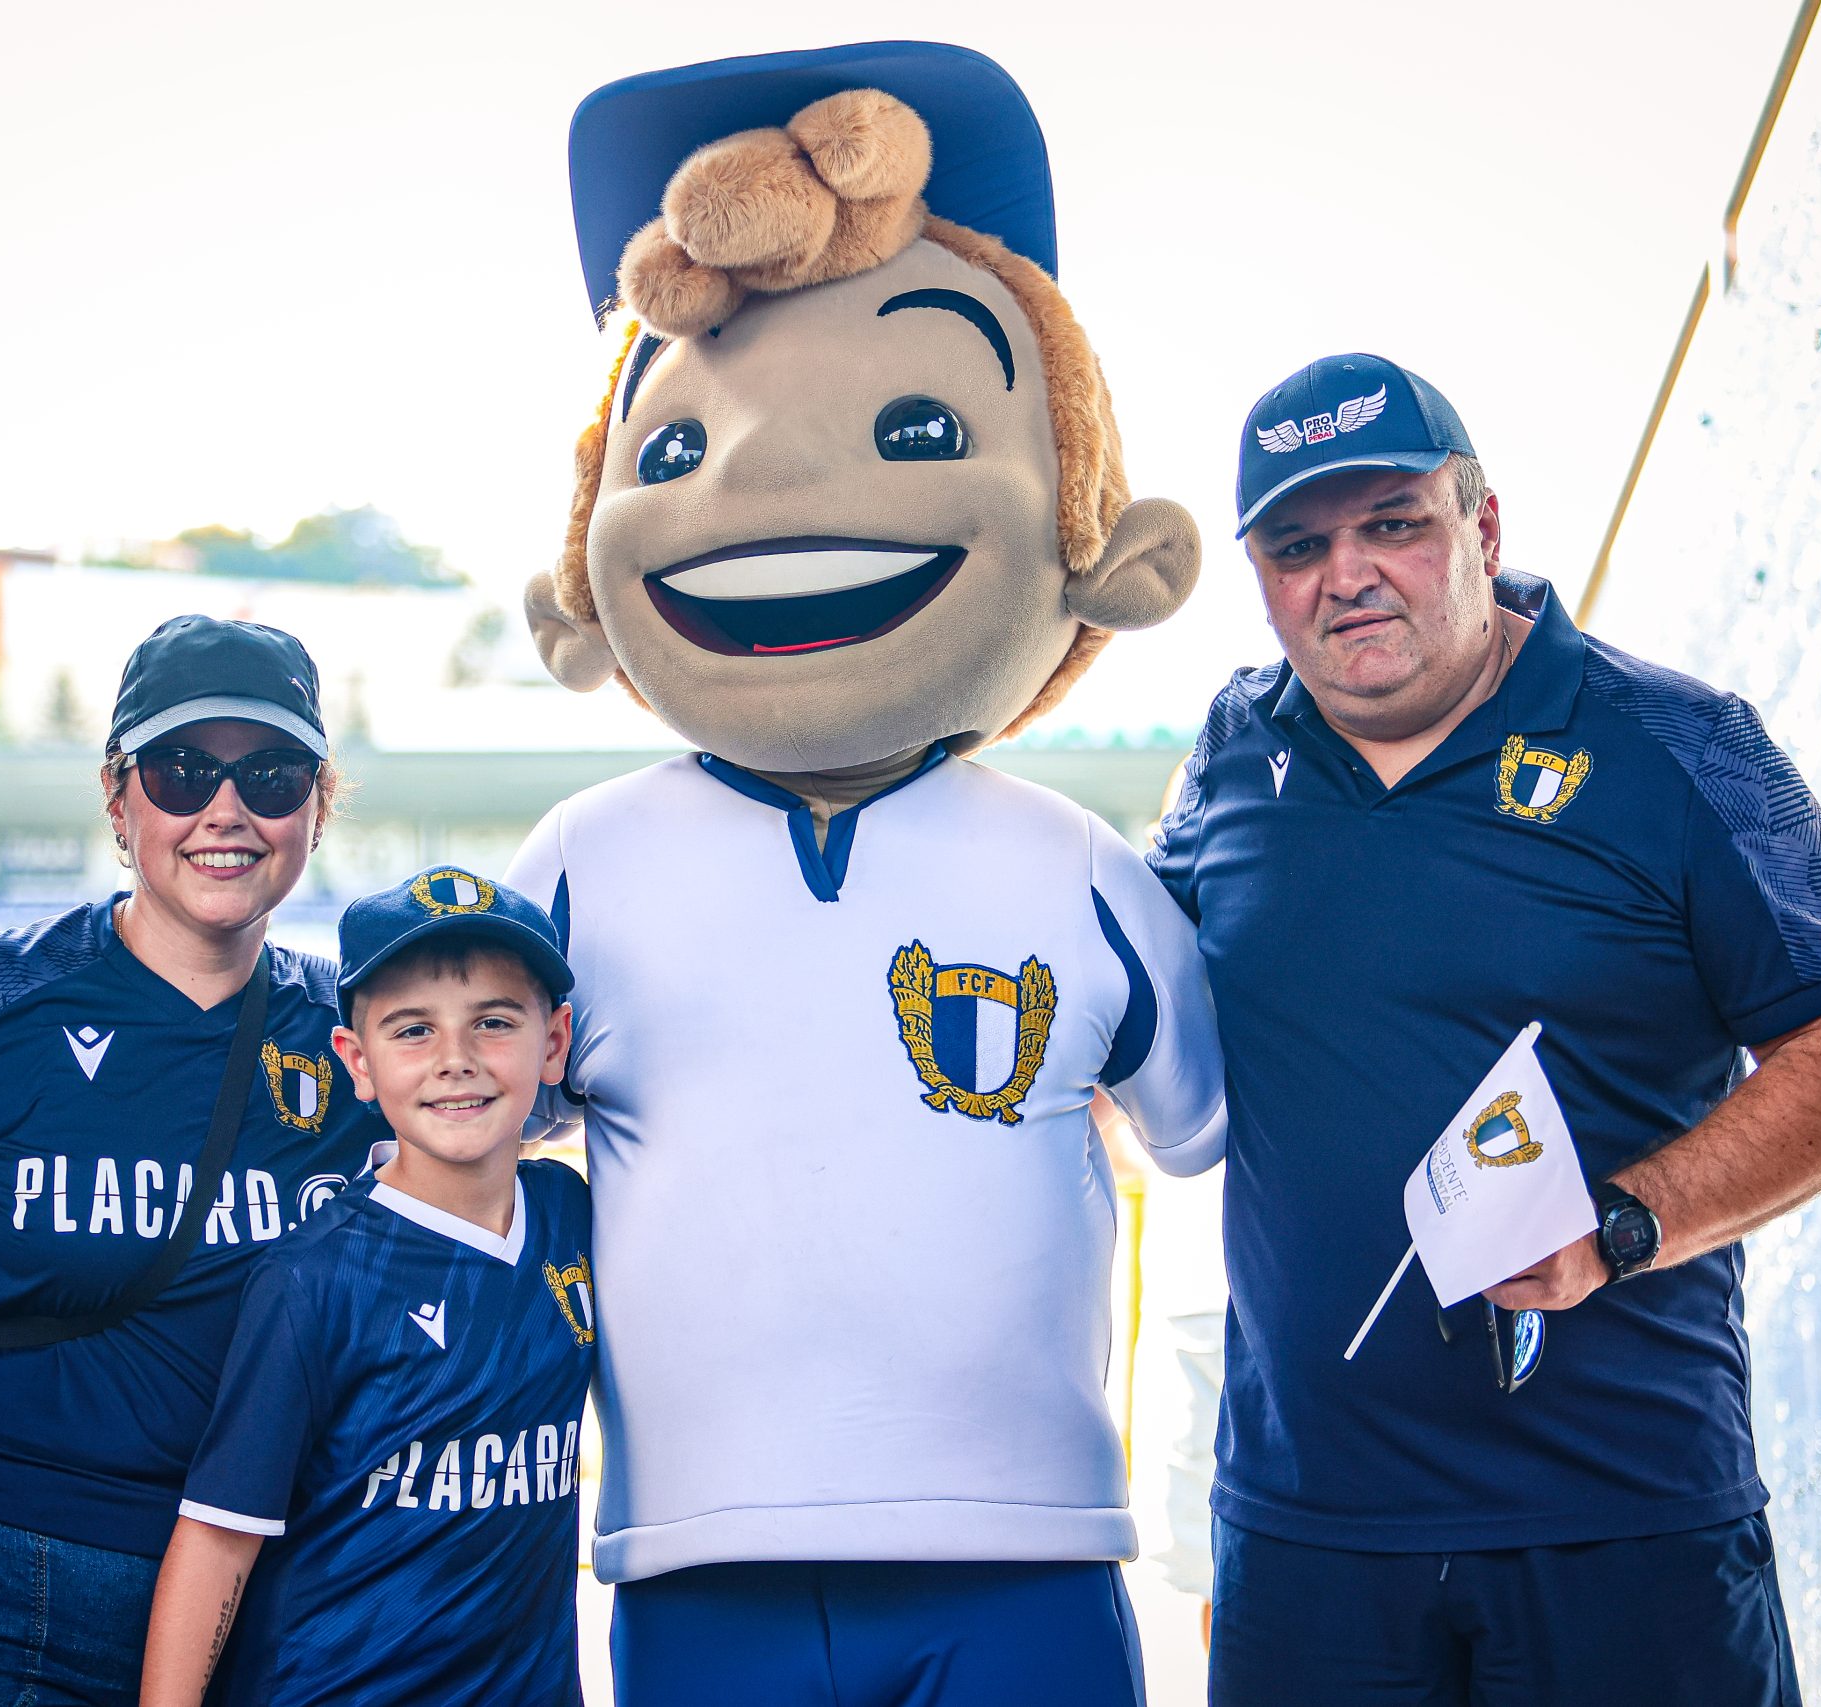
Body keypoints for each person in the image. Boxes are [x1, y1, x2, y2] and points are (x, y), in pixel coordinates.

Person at [512, 45, 1227, 1706]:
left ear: (1093, 527)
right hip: (693, 1556)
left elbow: (1215, 1132)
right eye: (675, 454)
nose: (773, 488)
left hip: (1032, 1552)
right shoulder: (576, 865)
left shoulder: (1083, 869)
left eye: (919, 421)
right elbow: (446, 1140)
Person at [1148, 352, 1821, 1707]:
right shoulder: (1226, 753)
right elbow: (1117, 1015)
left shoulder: (1685, 745)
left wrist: (1621, 1223)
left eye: (1394, 520)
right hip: (1309, 1540)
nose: (1349, 572)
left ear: (1483, 527)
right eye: (1299, 544)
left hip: (1621, 1519)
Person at [0, 615, 382, 1707]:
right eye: (182, 770)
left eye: (273, 775)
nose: (226, 812)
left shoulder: (360, 1042)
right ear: (118, 798)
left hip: (248, 1596)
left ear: (318, 805)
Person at [138, 867, 588, 1707]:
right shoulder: (314, 1276)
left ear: (554, 1040)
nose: (456, 1060)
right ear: (357, 1060)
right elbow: (217, 1540)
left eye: (494, 1022)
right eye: (413, 1030)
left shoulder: (571, 1218)